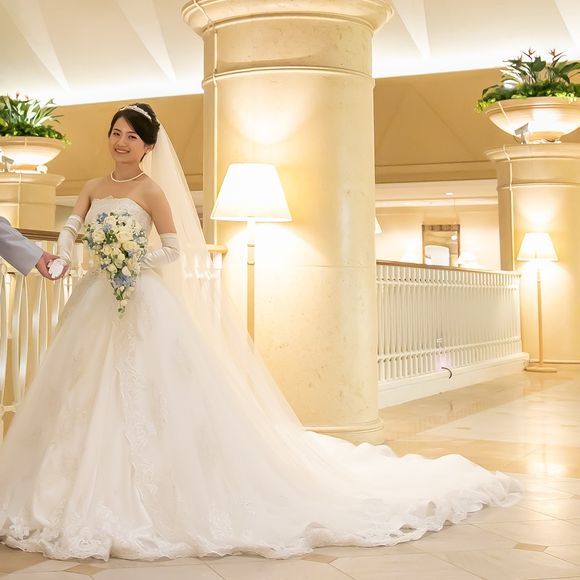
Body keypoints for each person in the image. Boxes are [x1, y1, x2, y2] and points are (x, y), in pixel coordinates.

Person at [0, 104, 522, 561]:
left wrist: (132, 262)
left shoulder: (151, 190)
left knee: (149, 392)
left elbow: (175, 250)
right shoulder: (92, 187)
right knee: (81, 391)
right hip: (95, 300)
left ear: (149, 147)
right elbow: (71, 230)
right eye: (115, 133)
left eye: (131, 136)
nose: (121, 142)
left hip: (141, 300)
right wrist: (63, 258)